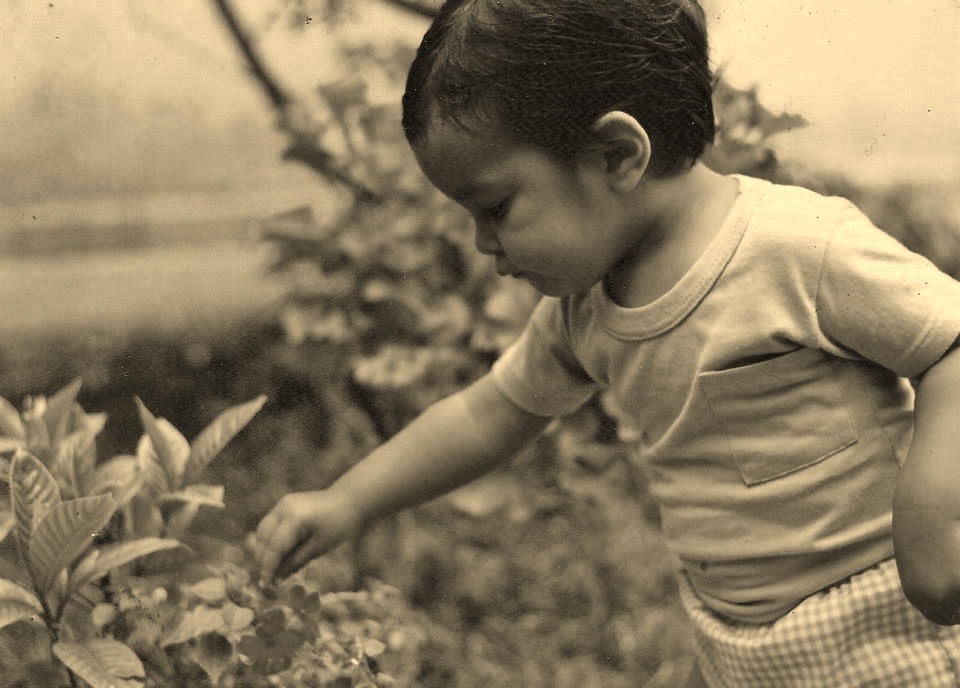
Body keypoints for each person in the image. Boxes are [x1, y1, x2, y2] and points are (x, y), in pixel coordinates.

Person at [252, 1, 960, 685]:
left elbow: (951, 343)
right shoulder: (583, 310)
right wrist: (347, 501)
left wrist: (929, 517)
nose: (481, 243)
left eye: (496, 208)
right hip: (747, 643)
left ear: (616, 155)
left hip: (887, 618)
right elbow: (489, 413)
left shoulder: (795, 248)